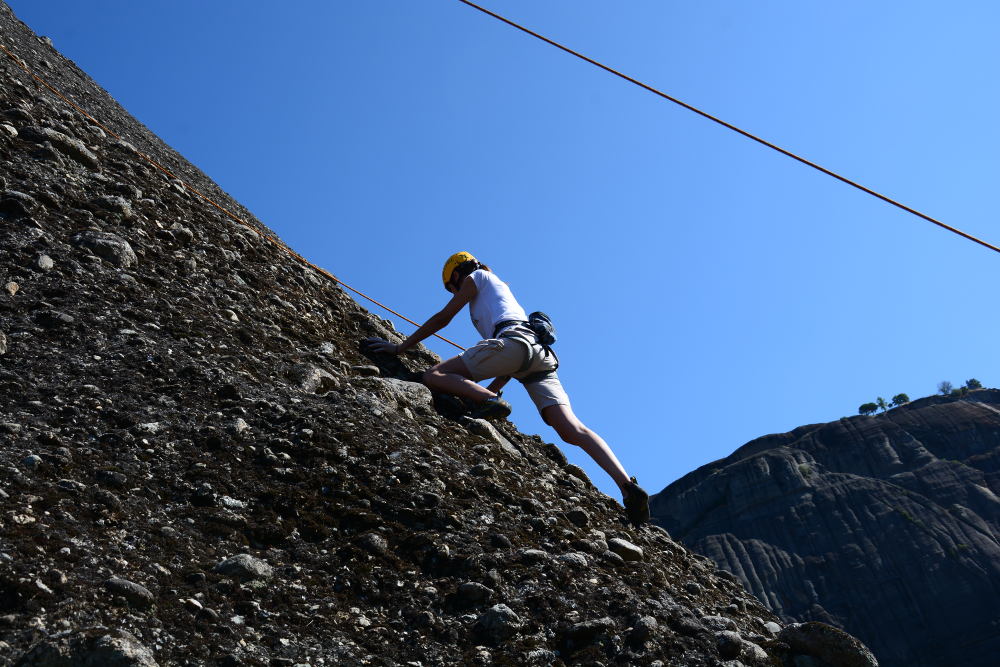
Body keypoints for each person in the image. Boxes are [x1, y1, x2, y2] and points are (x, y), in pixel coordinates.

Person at [364, 252, 649, 526]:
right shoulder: (502, 293)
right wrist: (491, 393)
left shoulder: (477, 277)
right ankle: (626, 485)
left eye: (453, 287)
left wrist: (400, 347)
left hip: (513, 341)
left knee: (434, 374)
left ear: (458, 274)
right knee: (572, 428)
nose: (455, 293)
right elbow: (511, 365)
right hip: (538, 354)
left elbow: (443, 318)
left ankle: (487, 399)